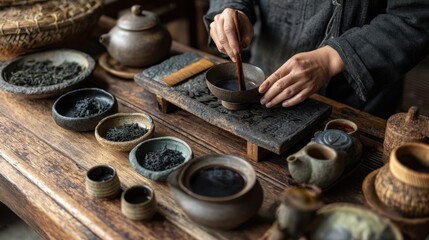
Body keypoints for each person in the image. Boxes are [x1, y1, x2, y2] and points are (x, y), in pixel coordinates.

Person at [204, 0, 429, 118]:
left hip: (356, 101)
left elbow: (415, 18)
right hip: (266, 78)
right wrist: (232, 9)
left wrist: (333, 58)